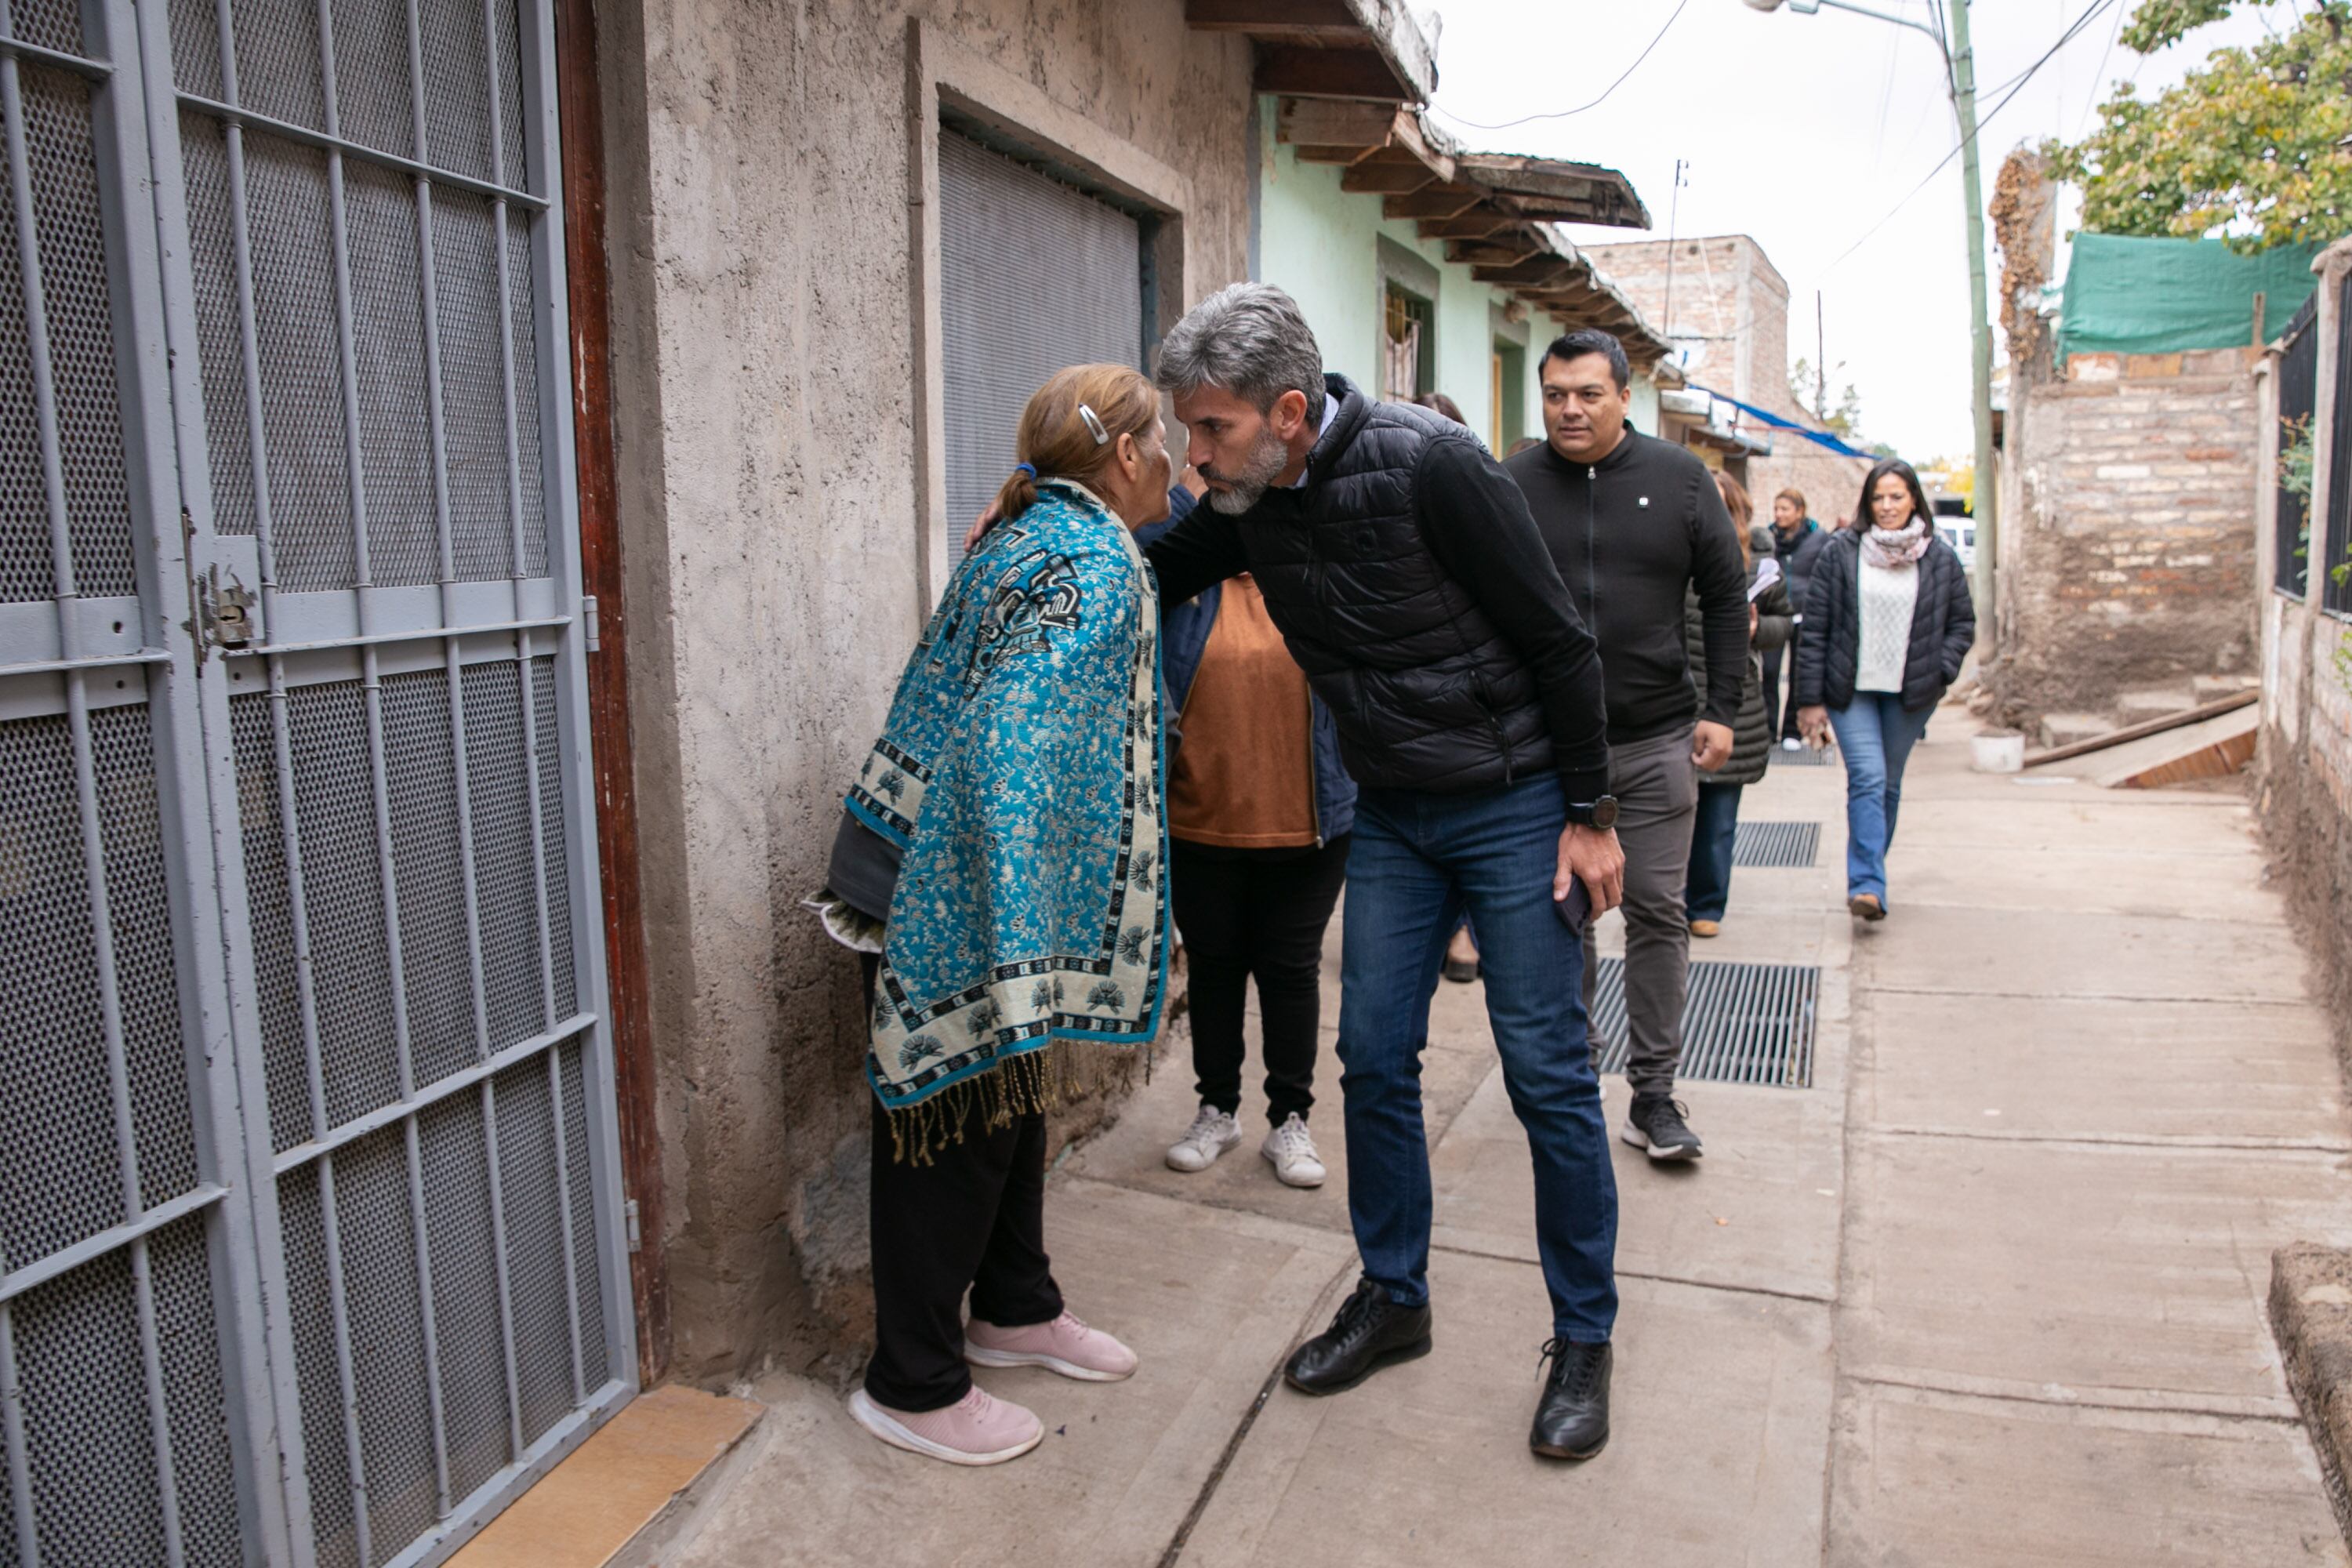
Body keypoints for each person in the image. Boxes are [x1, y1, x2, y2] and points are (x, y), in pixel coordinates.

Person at [1138, 285, 1628, 1461]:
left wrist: (1591, 813)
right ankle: (1395, 1297)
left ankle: (1584, 1339)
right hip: (1396, 816)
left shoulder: (1434, 464)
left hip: (1512, 806)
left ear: (1290, 412)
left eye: (1208, 430)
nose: (1190, 456)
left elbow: (1560, 639)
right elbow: (1150, 562)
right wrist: (1028, 541)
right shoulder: (1248, 501)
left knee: (1548, 1077)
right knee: (1371, 1061)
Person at [815, 363, 1172, 1466]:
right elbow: (1008, 738)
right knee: (952, 1132)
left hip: (914, 849)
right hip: (953, 884)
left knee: (1006, 1107)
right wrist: (998, 929)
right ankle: (912, 1384)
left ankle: (1014, 1303)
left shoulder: (1036, 534)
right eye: (1164, 441)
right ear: (1124, 453)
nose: (1176, 465)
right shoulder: (1096, 565)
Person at [1502, 329, 1748, 1165]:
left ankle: (1653, 1094)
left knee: (1655, 911)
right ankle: (1572, 1078)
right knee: (1562, 916)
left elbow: (1723, 594)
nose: (1571, 408)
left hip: (1653, 740)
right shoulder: (1513, 482)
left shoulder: (1680, 480)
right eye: (1556, 394)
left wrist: (1723, 706)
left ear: (1624, 396)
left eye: (1588, 393)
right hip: (1542, 751)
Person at [1147, 477, 1356, 1189]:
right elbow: (1102, 515)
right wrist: (1023, 484)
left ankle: (1289, 1120)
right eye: (1207, 484)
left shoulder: (1312, 573)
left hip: (1309, 820)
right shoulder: (1179, 577)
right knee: (1214, 967)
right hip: (1200, 816)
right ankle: (1217, 1109)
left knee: (1290, 969)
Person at [1793, 457, 1976, 922]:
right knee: (1869, 779)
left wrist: (1942, 669)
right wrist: (1809, 700)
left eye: (1896, 496)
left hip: (1911, 693)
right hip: (1850, 689)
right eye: (1878, 497)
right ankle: (1868, 884)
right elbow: (1815, 629)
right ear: (1866, 503)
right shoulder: (1841, 552)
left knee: (1888, 786)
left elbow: (1962, 623)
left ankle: (1870, 871)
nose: (1887, 506)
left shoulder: (1939, 557)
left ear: (1914, 498)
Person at [1684, 474, 1795, 939]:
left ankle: (1707, 903)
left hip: (1735, 703)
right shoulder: (1669, 556)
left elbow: (1784, 623)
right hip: (1677, 698)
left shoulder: (1760, 567)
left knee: (1718, 818)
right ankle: (1670, 900)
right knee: (1673, 813)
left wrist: (1755, 630)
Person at [1765, 488, 1830, 748]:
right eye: (1776, 509)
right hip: (1775, 614)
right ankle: (1769, 730)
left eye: (1785, 509)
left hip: (1806, 615)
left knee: (1798, 674)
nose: (1779, 514)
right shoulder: (1768, 538)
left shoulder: (1819, 539)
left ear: (1800, 511)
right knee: (1769, 673)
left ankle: (1791, 731)